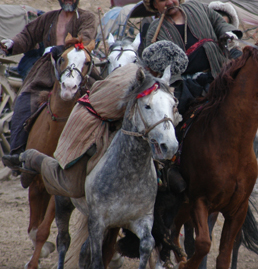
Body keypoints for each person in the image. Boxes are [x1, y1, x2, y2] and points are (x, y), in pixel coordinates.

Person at [2, 41, 188, 198]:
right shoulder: (135, 78)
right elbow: (130, 112)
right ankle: (34, 158)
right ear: (156, 69)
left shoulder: (149, 82)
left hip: (112, 125)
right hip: (90, 121)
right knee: (73, 187)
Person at [0, 0, 97, 155]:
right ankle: (18, 152)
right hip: (48, 68)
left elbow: (85, 38)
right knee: (24, 100)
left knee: (101, 99)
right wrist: (11, 43)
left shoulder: (87, 17)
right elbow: (28, 34)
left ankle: (100, 148)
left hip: (78, 66)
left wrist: (62, 49)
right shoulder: (47, 18)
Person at [142, 0, 242, 105]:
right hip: (186, 86)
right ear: (155, 5)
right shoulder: (154, 31)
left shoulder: (196, 7)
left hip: (218, 71)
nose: (169, 2)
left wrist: (228, 34)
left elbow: (218, 22)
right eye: (162, 0)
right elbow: (157, 66)